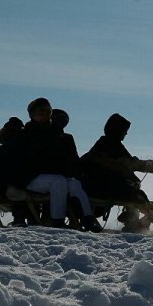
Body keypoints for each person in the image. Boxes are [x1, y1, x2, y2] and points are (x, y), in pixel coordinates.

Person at [18, 98, 102, 231]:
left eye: (47, 111)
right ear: (32, 115)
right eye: (41, 112)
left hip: (56, 177)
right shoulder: (26, 135)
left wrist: (74, 175)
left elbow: (70, 160)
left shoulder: (58, 135)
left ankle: (88, 221)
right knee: (59, 181)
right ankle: (57, 222)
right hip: (32, 177)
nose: (44, 115)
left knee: (75, 184)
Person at [81, 113, 153, 232]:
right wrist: (147, 166)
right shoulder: (110, 144)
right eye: (124, 130)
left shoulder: (107, 143)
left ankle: (133, 220)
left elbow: (126, 162)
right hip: (100, 188)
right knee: (135, 195)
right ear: (117, 130)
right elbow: (127, 162)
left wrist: (145, 165)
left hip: (100, 186)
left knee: (134, 192)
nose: (126, 133)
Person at [0, 117, 30, 226]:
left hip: (4, 185)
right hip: (16, 184)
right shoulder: (25, 148)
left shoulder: (0, 150)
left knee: (20, 193)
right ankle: (24, 219)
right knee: (21, 193)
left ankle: (20, 220)